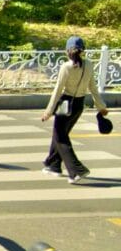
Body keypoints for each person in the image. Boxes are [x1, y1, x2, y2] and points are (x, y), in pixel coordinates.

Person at [41, 36, 109, 184]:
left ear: (67, 51)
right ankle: (53, 165)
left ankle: (76, 170)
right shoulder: (89, 65)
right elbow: (93, 88)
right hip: (79, 104)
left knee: (60, 136)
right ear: (82, 50)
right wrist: (101, 106)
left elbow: (58, 90)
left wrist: (48, 111)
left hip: (65, 102)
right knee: (60, 134)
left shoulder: (66, 66)